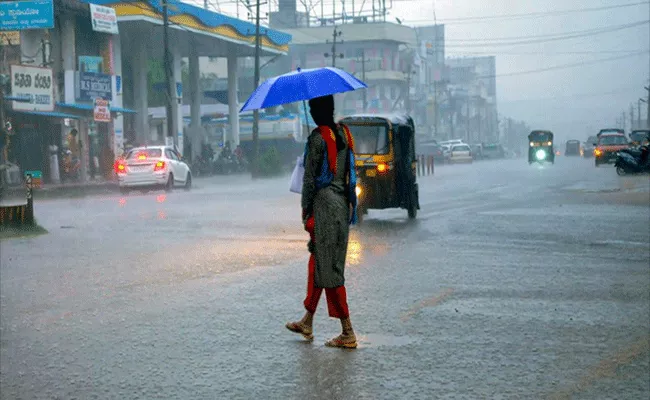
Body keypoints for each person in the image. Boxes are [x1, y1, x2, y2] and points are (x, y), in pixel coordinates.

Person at [285, 95, 359, 349]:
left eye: (311, 108)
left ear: (316, 112)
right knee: (320, 263)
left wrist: (305, 210)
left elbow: (308, 180)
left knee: (329, 270)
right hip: (341, 206)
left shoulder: (317, 139)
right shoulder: (344, 135)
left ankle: (348, 331)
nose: (312, 113)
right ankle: (308, 320)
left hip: (324, 208)